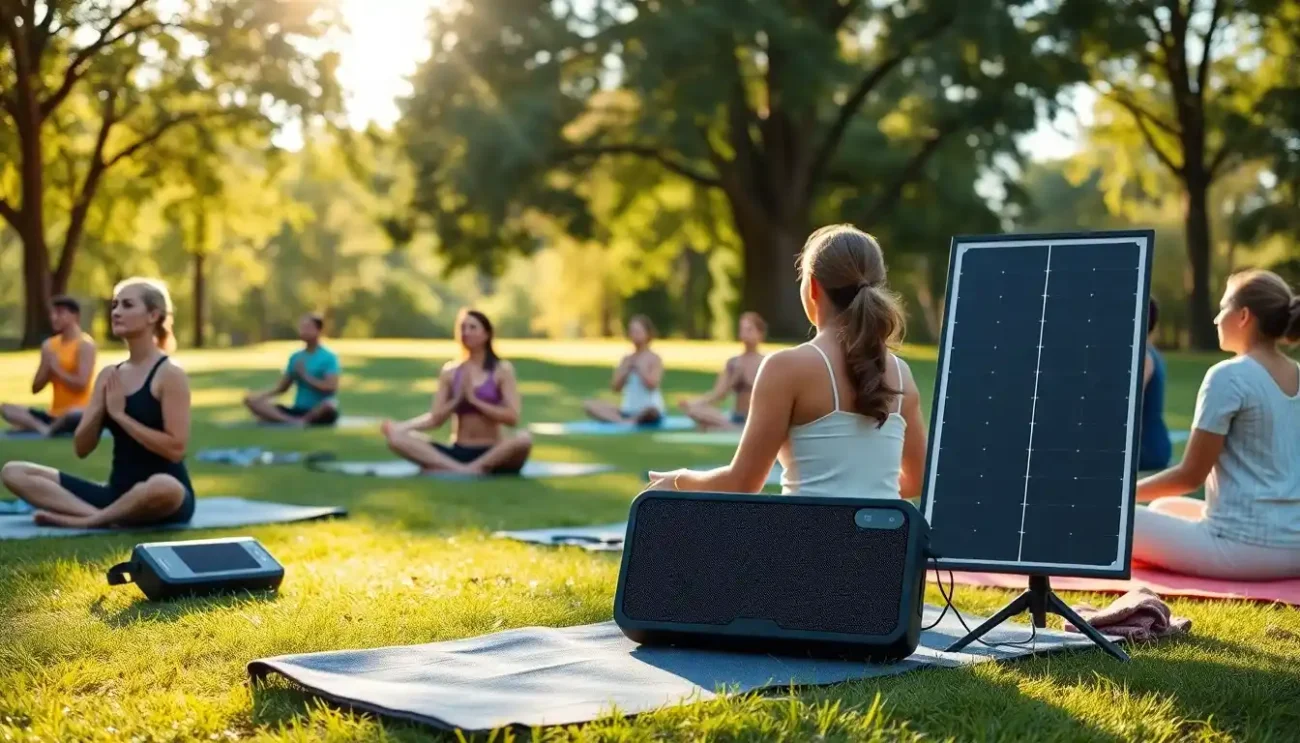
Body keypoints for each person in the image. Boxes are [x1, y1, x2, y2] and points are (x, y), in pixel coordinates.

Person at [647, 224, 927, 499]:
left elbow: (741, 483)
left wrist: (677, 480)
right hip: (884, 545)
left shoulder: (786, 368)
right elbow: (916, 482)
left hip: (803, 543)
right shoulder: (902, 375)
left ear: (814, 288)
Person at [1133, 270, 1300, 579]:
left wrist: (1123, 494)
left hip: (1245, 548)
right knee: (1164, 507)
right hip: (1294, 544)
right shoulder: (1297, 373)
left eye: (1223, 308)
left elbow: (1189, 476)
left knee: (1119, 521)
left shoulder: (1229, 376)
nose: (1216, 318)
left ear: (1244, 316)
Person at [0, 278, 196, 528]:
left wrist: (121, 416)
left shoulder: (170, 374)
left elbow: (175, 449)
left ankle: (90, 520)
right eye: (115, 305)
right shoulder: (109, 375)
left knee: (166, 486)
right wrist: (99, 410)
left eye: (127, 305)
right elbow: (82, 448)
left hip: (162, 496)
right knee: (13, 472)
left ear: (153, 315)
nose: (116, 312)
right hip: (116, 493)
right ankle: (97, 518)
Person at [381, 309, 533, 475]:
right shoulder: (450, 371)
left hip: (492, 451)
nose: (466, 332)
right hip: (458, 450)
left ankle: (474, 466)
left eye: (472, 327)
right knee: (395, 439)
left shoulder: (502, 370)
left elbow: (512, 418)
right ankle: (462, 469)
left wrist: (475, 401)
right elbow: (435, 419)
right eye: (462, 328)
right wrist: (402, 427)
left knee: (523, 439)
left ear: (486, 334)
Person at [1, 296, 97, 437]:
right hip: (53, 414)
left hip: (78, 414)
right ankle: (44, 428)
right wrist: (47, 369)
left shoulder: (85, 345)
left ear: (75, 316)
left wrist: (57, 369)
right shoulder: (49, 346)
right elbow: (35, 388)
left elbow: (81, 384)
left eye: (59, 313)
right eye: (52, 313)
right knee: (5, 408)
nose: (54, 318)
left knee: (73, 413)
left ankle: (40, 427)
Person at [243, 313, 341, 426]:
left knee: (329, 405)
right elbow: (282, 388)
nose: (303, 331)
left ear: (319, 330)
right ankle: (292, 421)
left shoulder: (329, 357)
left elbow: (331, 388)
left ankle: (300, 420)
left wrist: (305, 376)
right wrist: (258, 396)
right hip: (297, 410)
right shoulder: (296, 357)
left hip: (319, 410)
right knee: (252, 401)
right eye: (302, 327)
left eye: (308, 327)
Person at [678, 312, 767, 430]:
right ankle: (731, 427)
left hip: (756, 416)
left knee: (707, 425)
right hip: (735, 416)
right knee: (694, 410)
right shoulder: (733, 363)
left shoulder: (767, 362)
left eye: (749, 330)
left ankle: (726, 428)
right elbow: (718, 394)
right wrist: (694, 403)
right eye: (742, 330)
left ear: (760, 334)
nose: (744, 334)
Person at [583, 315, 666, 425]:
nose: (634, 335)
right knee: (589, 405)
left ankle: (629, 420)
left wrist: (641, 370)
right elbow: (615, 388)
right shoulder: (626, 359)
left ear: (648, 334)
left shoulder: (654, 358)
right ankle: (624, 421)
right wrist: (626, 371)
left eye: (638, 331)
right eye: (632, 331)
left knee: (651, 411)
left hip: (648, 410)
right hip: (628, 409)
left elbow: (652, 385)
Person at [1138, 298, 1173, 471]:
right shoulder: (1150, 351)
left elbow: (1130, 405)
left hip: (1146, 448)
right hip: (1153, 445)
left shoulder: (1143, 356)